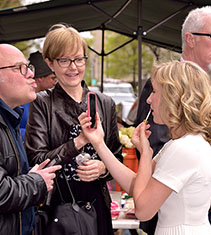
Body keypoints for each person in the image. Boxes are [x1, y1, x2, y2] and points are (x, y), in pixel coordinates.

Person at [79, 60, 211, 234]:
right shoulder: (185, 143)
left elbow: (143, 210)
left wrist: (146, 156)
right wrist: (99, 143)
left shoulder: (184, 148)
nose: (148, 99)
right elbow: (137, 184)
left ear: (174, 97)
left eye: (155, 91)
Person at [135, 5, 211, 235]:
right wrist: (202, 186)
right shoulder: (160, 84)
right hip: (172, 206)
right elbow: (155, 145)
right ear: (190, 39)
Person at [24, 23, 123, 235]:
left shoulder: (104, 103)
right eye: (64, 60)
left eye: (78, 59)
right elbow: (36, 161)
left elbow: (117, 158)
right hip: (57, 211)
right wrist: (78, 141)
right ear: (50, 63)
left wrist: (103, 169)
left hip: (97, 209)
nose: (73, 67)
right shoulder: (42, 103)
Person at [0, 43, 61, 235]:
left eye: (29, 68)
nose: (30, 75)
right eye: (20, 68)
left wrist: (31, 178)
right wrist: (37, 182)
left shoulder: (10, 119)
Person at [20, 50, 57, 140]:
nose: (55, 83)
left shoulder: (49, 100)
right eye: (52, 78)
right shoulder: (20, 101)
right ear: (40, 78)